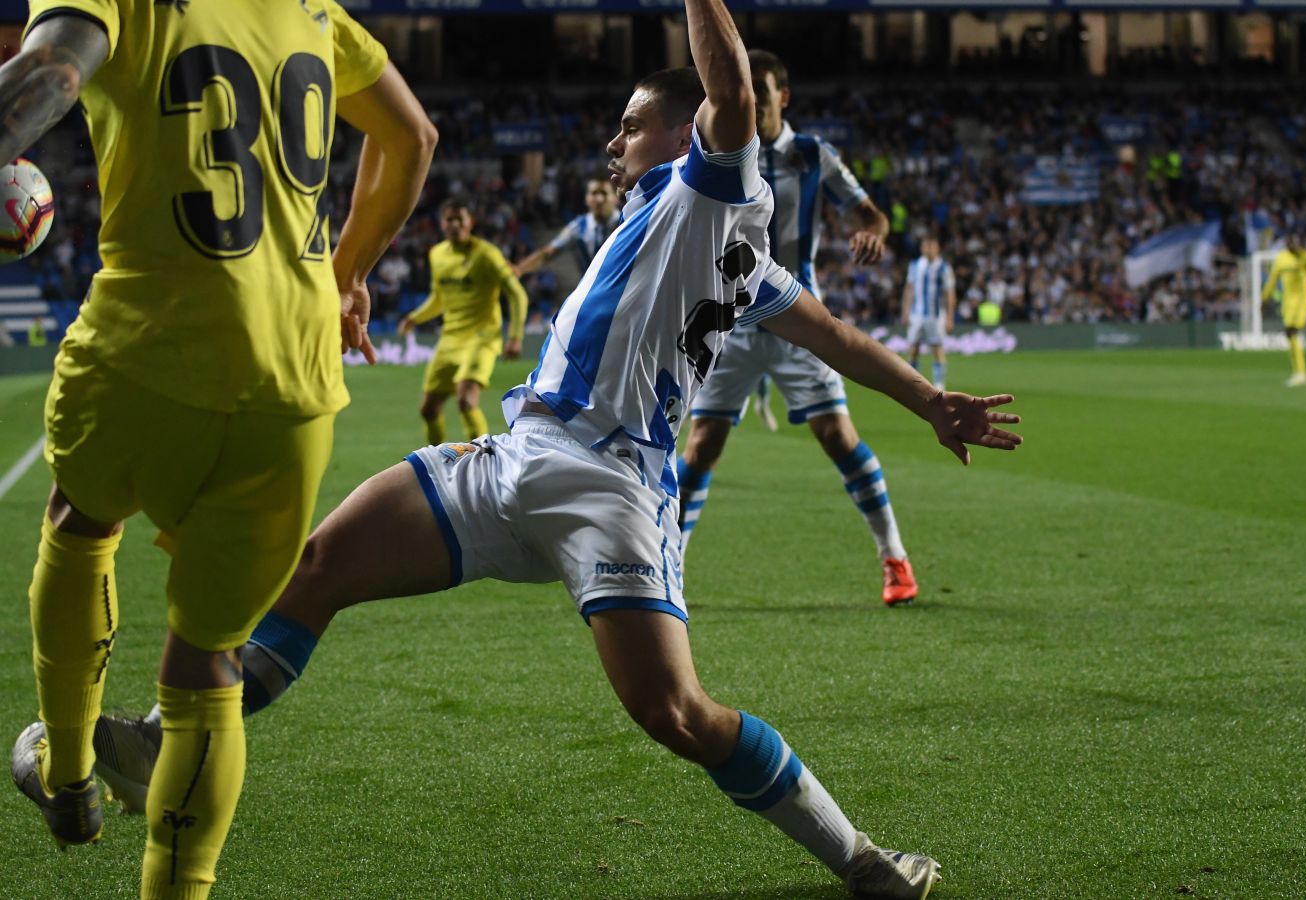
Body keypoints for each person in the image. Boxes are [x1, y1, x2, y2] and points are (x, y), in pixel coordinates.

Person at [95, 0, 1021, 894]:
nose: (613, 144)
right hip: (511, 461)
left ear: (683, 130)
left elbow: (734, 100)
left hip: (608, 486)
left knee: (676, 715)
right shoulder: (702, 235)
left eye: (629, 126)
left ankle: (858, 855)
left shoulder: (713, 193)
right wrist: (930, 399)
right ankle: (162, 748)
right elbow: (836, 335)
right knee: (313, 568)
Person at [3, 4, 436, 897]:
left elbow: (52, 73)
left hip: (147, 345)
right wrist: (347, 274)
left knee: (80, 521)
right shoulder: (313, 7)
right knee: (206, 661)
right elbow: (413, 136)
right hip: (297, 380)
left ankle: (70, 770)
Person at [677, 49, 916, 605]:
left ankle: (895, 559)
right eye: (745, 88)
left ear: (784, 96)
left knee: (837, 436)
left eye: (761, 89)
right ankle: (672, 564)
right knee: (702, 444)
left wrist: (874, 233)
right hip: (729, 320)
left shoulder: (813, 155)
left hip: (798, 318)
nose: (752, 99)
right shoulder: (718, 149)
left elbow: (869, 214)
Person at [398, 199, 527, 442]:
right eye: (450, 219)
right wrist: (414, 318)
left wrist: (515, 336)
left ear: (470, 223)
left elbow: (517, 294)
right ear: (441, 223)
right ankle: (438, 462)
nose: (455, 224)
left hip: (482, 337)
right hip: (450, 339)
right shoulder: (437, 254)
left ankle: (482, 460)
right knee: (428, 409)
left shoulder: (487, 254)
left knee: (466, 400)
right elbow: (439, 298)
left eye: (460, 219)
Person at [512, 176, 621, 278]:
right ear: (587, 199)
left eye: (604, 193)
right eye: (594, 193)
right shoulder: (579, 226)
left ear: (615, 197)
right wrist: (520, 269)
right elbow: (548, 252)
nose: (599, 199)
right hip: (591, 290)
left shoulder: (625, 221)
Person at [1260, 233, 1306, 387]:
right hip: (1288, 302)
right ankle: (1298, 372)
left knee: (1292, 331)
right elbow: (1271, 280)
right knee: (1289, 334)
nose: (1294, 246)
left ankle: (1301, 374)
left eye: (1296, 243)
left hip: (1303, 300)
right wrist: (1264, 299)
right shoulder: (1281, 259)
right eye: (1291, 243)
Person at [902, 236, 957, 391]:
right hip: (916, 314)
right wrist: (905, 311)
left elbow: (950, 293)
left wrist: (950, 318)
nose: (928, 249)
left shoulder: (944, 268)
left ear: (937, 248)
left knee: (937, 348)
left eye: (931, 246)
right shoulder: (914, 265)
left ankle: (939, 384)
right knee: (913, 348)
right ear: (922, 248)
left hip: (936, 315)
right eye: (926, 246)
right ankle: (913, 382)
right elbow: (909, 289)